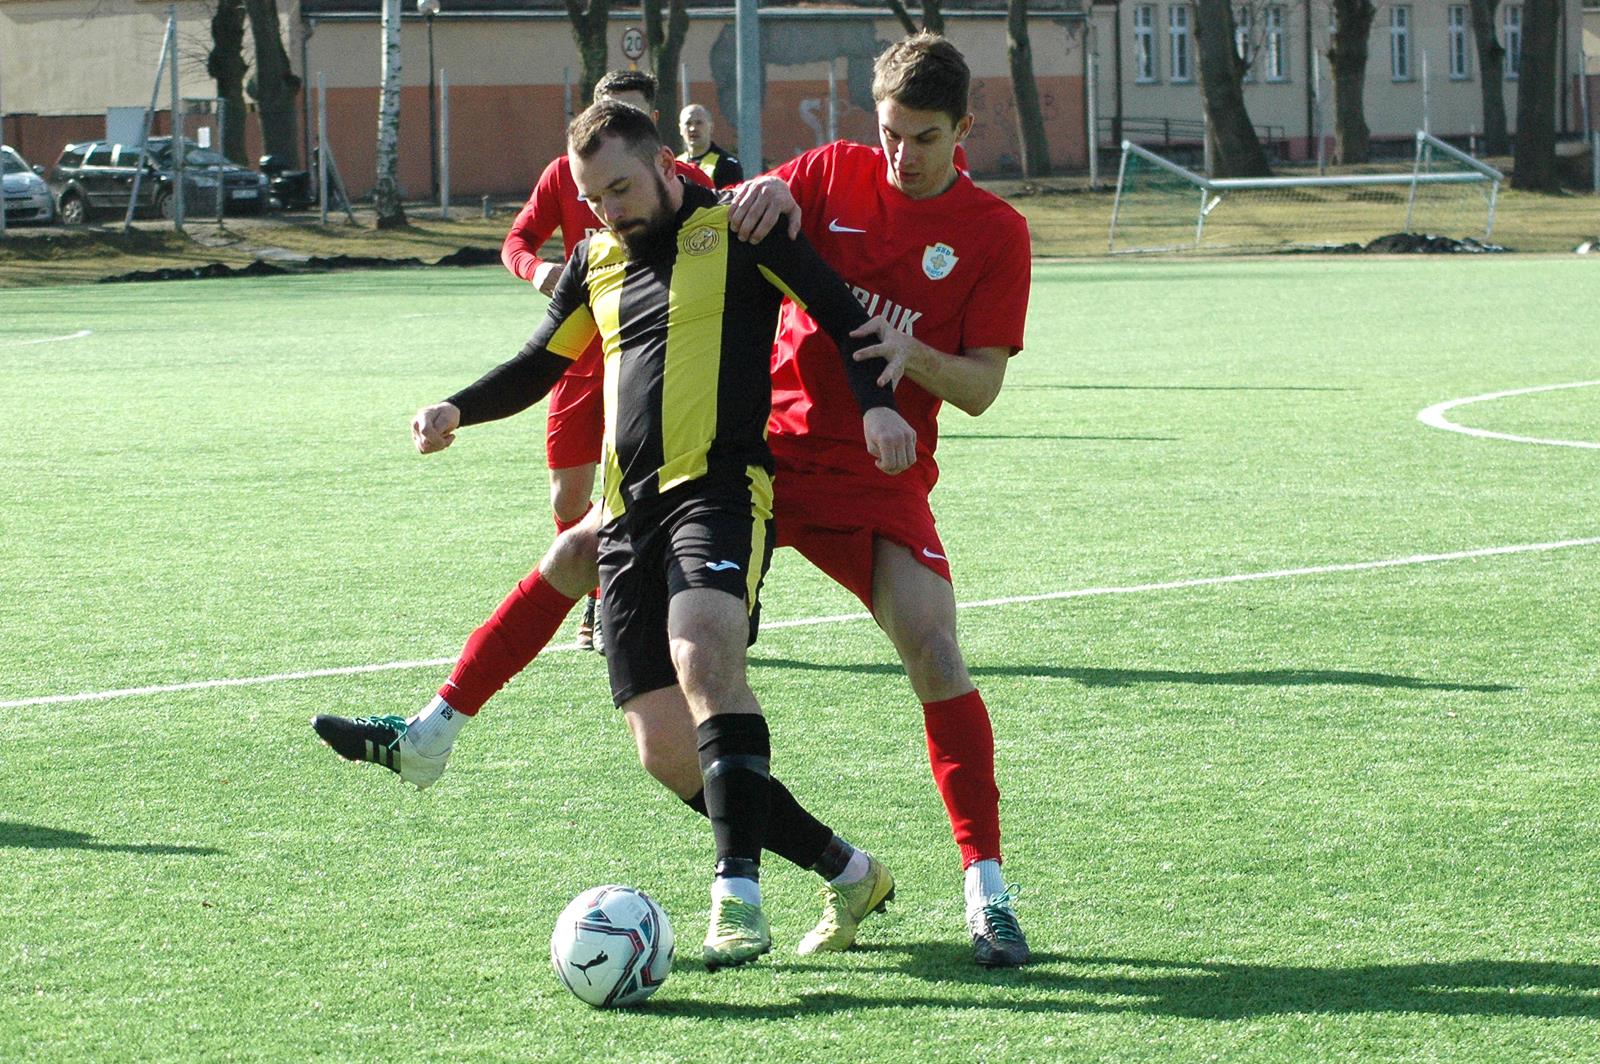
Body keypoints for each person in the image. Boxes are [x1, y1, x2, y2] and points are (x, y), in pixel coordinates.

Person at [316, 32, 1032, 969]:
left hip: (857, 469)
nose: (900, 155)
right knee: (607, 616)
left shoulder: (994, 232)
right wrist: (761, 189)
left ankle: (987, 895)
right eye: (890, 132)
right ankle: (435, 732)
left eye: (923, 139)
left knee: (933, 650)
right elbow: (710, 212)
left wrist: (903, 370)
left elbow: (973, 386)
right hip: (756, 446)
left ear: (963, 130)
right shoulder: (820, 176)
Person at [501, 70, 714, 650]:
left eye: (636, 115)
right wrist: (540, 270)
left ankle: (616, 601)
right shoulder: (561, 177)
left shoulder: (682, 182)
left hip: (652, 360)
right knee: (568, 499)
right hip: (576, 359)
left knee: (659, 488)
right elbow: (516, 242)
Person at [677, 104, 744, 188]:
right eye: (688, 123)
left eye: (699, 123)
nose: (693, 128)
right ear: (680, 129)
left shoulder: (727, 164)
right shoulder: (675, 164)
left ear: (711, 127)